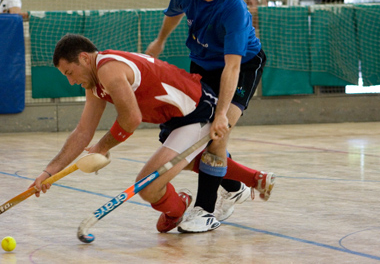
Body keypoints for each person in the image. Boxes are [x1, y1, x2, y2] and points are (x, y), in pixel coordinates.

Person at [30, 33, 262, 234]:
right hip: (175, 119)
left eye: (70, 73)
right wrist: (48, 172)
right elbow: (82, 132)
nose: (71, 82)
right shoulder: (95, 83)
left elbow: (131, 119)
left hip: (198, 109)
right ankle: (241, 184)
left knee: (147, 185)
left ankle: (222, 193)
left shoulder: (108, 70)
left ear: (84, 58)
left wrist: (102, 147)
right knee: (175, 169)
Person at [145, 0, 275, 232]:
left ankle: (205, 209)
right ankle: (234, 185)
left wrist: (221, 116)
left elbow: (232, 67)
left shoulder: (233, 10)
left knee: (218, 133)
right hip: (202, 64)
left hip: (241, 69)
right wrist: (160, 40)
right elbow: (173, 14)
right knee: (183, 134)